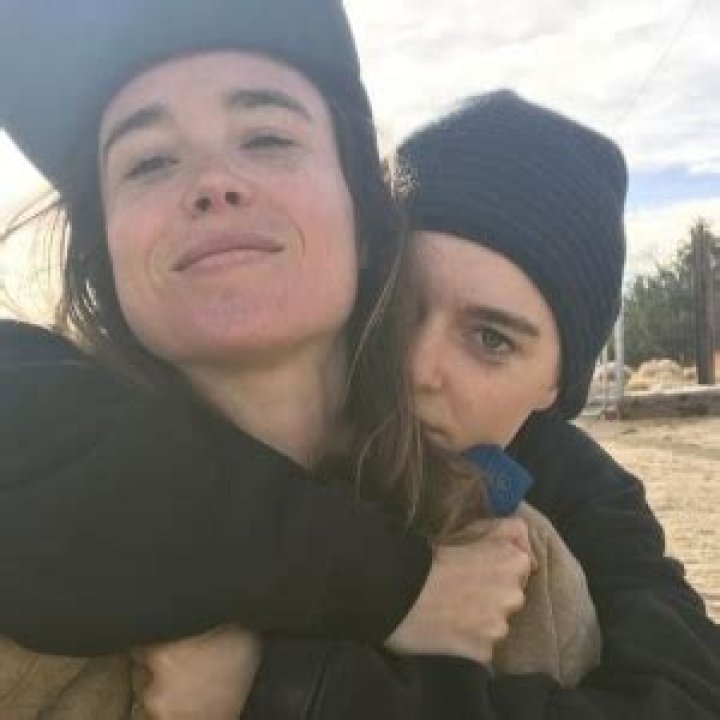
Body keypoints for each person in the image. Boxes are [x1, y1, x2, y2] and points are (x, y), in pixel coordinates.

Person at [1, 0, 718, 716]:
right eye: (150, 160)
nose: (419, 368)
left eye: (268, 137)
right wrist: (395, 585)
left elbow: (685, 690)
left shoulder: (539, 555)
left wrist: (283, 690)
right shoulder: (45, 445)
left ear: (361, 225)